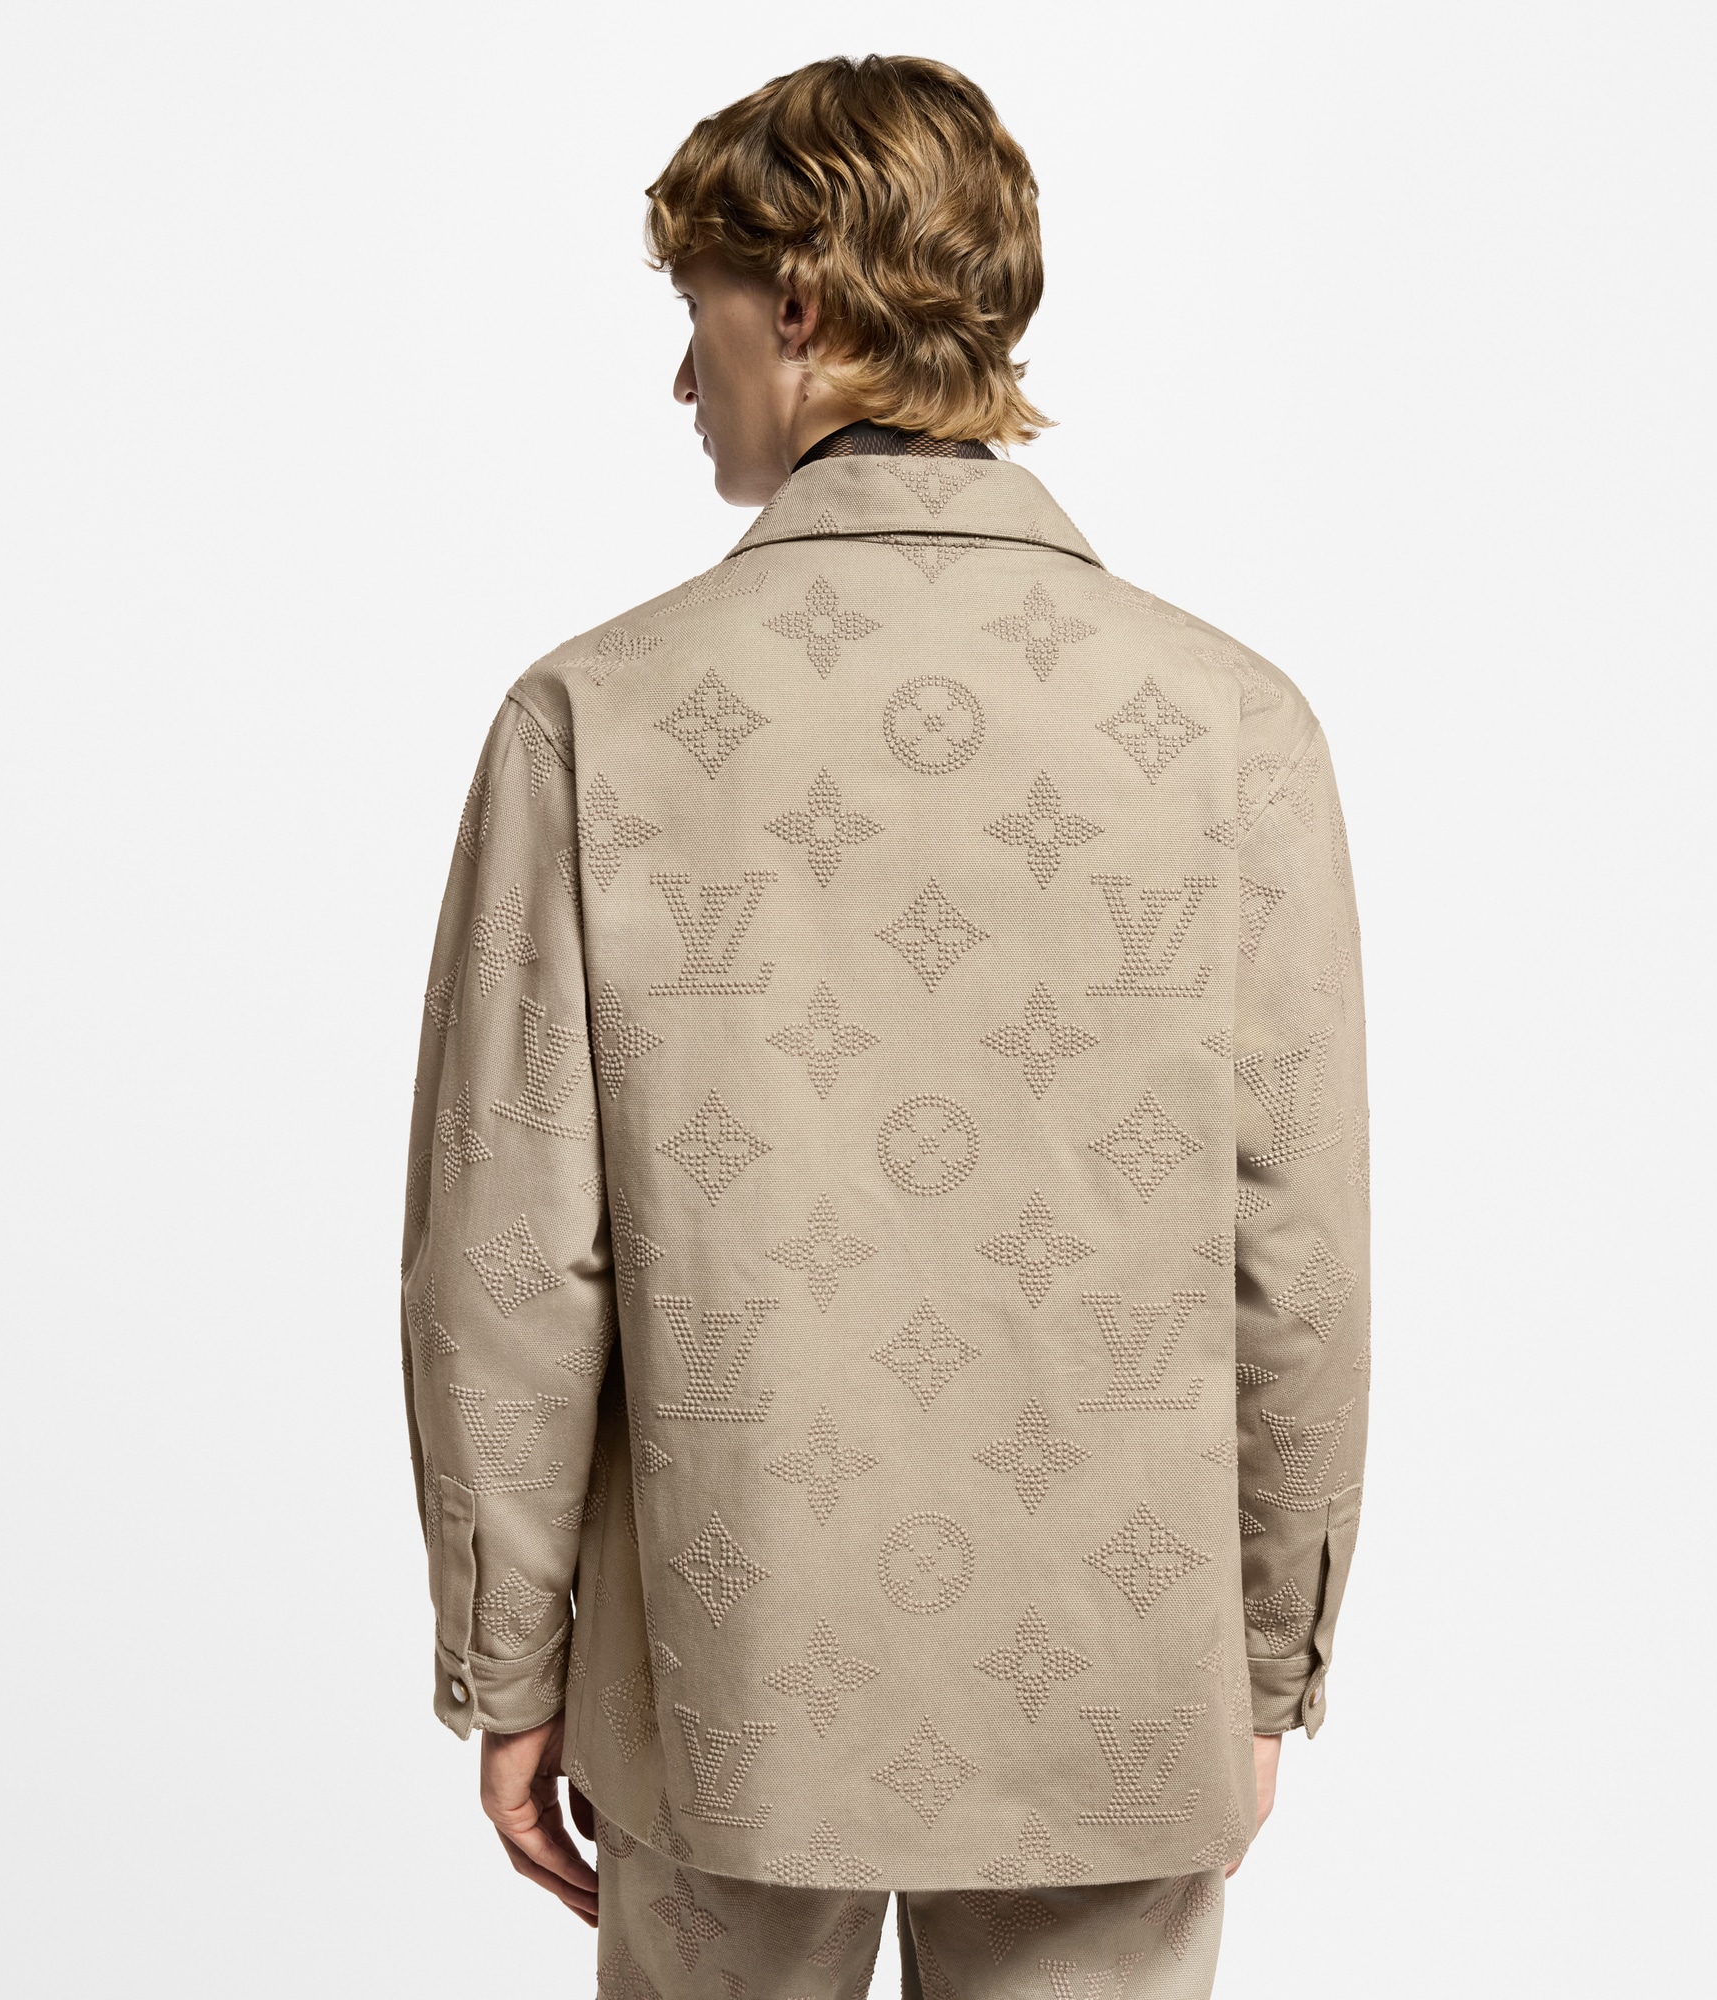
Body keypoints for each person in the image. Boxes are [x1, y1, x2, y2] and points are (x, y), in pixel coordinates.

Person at [399, 53, 1370, 2000]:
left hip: (720, 1678)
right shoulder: (1233, 726)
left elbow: (507, 1257)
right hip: (1114, 1681)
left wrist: (509, 1666)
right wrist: (1265, 1663)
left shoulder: (592, 720)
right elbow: (1302, 1260)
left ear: (799, 306)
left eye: (697, 316)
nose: (683, 380)